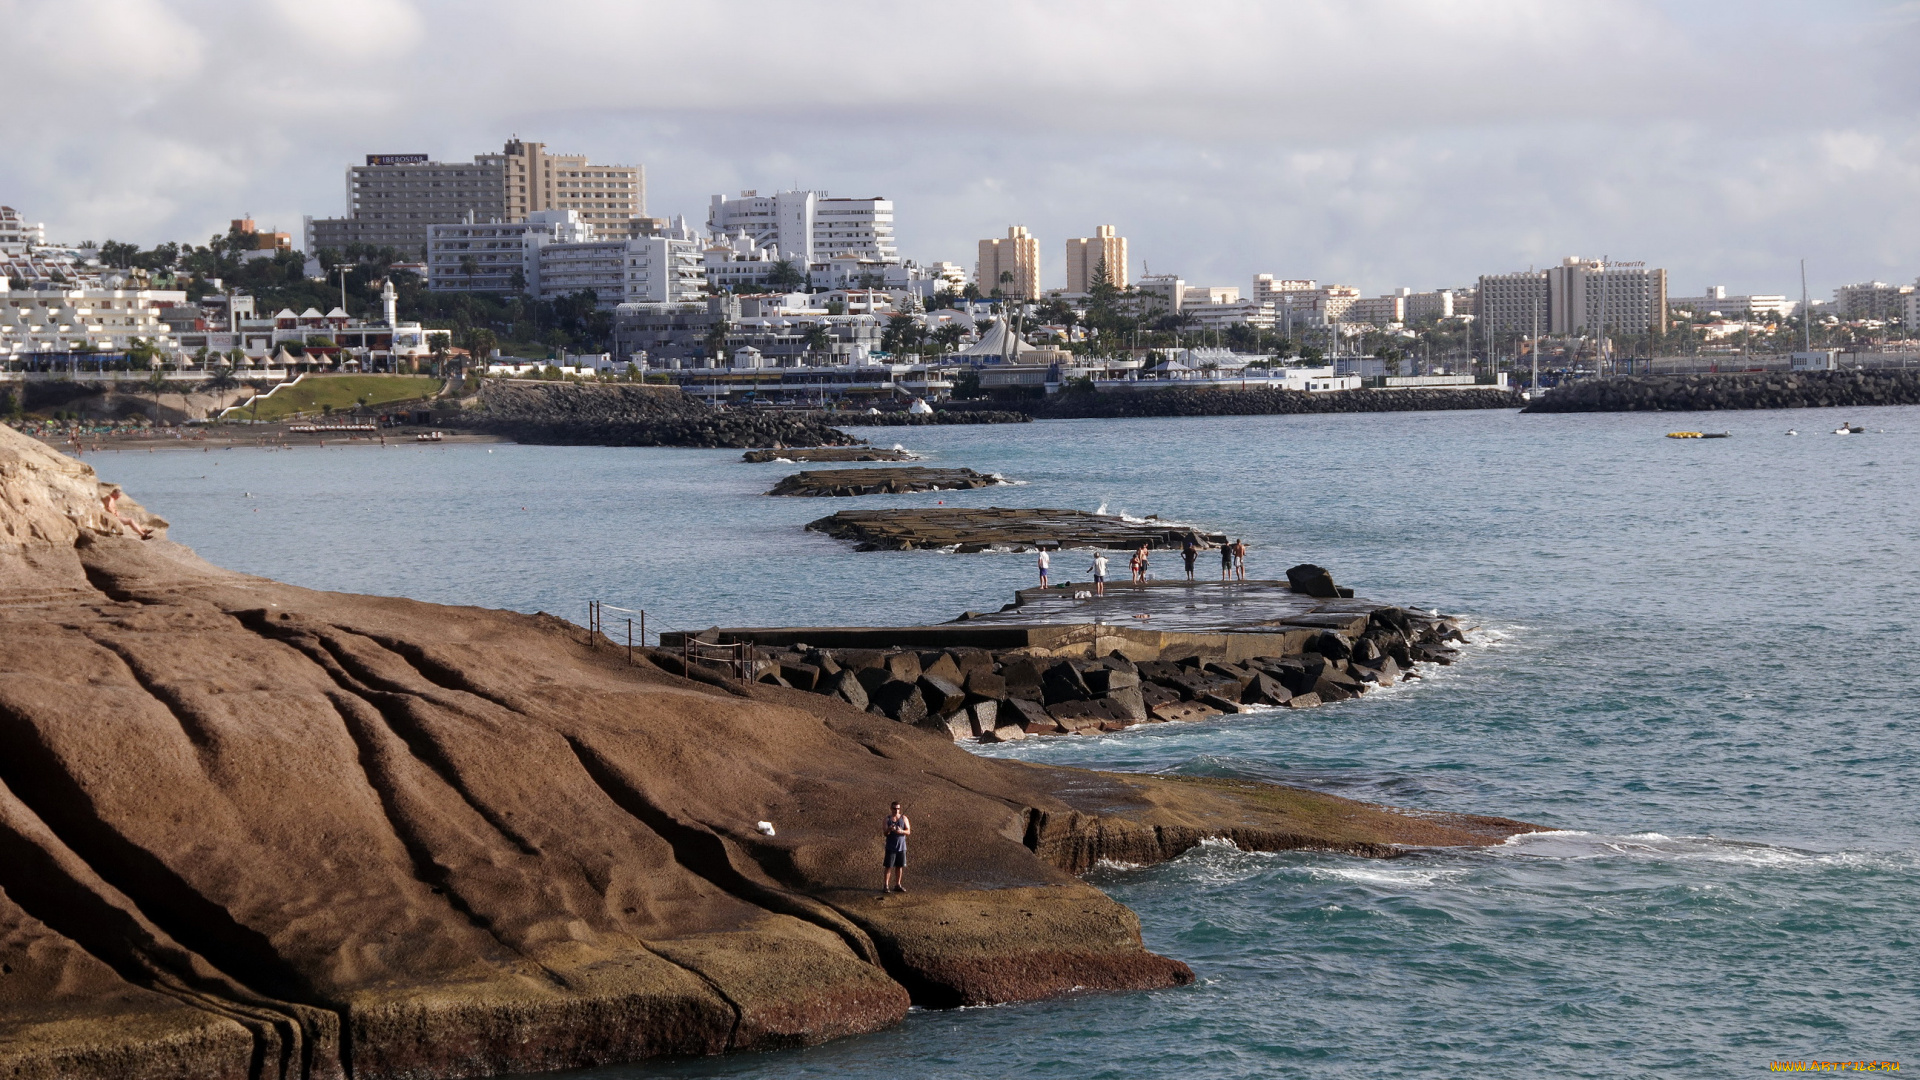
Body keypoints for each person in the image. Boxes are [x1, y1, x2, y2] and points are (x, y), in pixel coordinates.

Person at [883, 801, 911, 893]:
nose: (896, 810)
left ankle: (897, 885)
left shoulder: (904, 818)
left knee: (899, 866)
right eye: (894, 808)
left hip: (901, 847)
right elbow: (885, 833)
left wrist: (901, 831)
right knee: (889, 866)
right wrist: (889, 829)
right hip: (891, 847)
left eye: (898, 808)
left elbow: (908, 831)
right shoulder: (887, 819)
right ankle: (886, 886)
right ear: (891, 808)